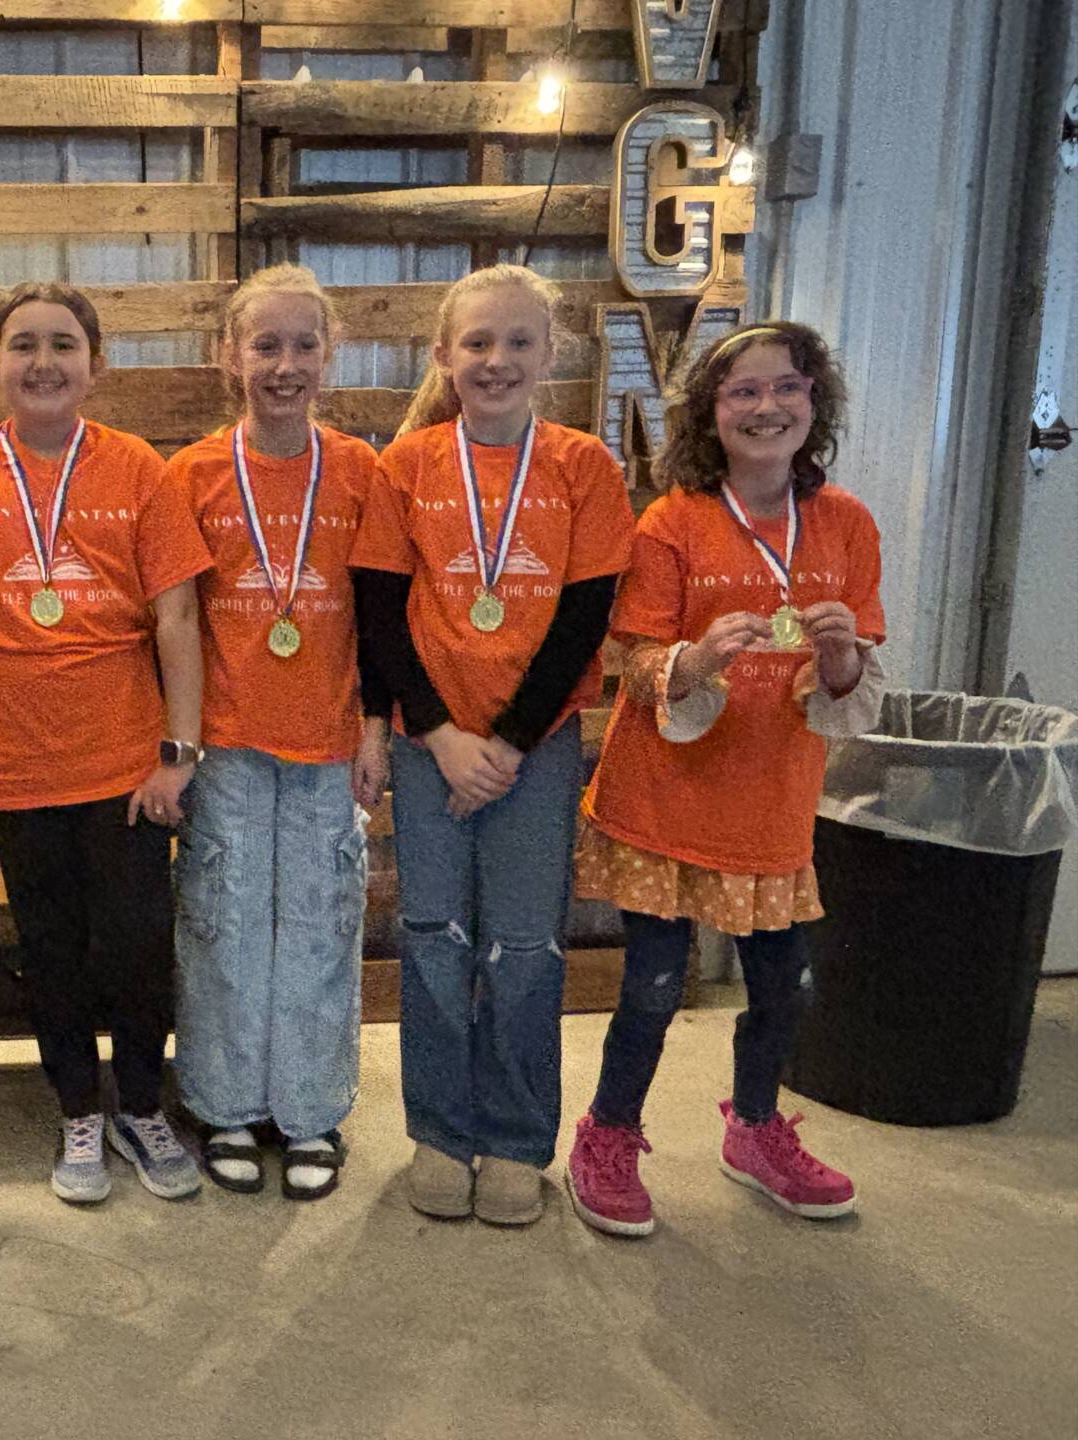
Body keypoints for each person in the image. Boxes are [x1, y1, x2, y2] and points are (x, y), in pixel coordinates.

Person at [566, 321, 884, 1236]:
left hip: (774, 809)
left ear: (814, 404)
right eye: (743, 391)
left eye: (786, 387)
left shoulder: (848, 524)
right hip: (666, 804)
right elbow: (634, 661)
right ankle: (610, 1134)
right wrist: (698, 660)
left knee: (783, 986)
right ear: (711, 411)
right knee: (654, 988)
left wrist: (839, 658)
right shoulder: (671, 522)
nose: (766, 406)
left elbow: (850, 685)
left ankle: (755, 1130)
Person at [350, 263, 635, 1226]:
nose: (497, 360)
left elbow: (583, 619)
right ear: (443, 356)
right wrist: (436, 732)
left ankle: (514, 1138)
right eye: (476, 343)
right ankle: (440, 1130)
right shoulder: (406, 466)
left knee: (524, 946)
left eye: (518, 342)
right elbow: (382, 615)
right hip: (432, 744)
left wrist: (506, 745)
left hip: (535, 746)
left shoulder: (585, 468)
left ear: (550, 354)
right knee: (432, 938)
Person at [0, 282, 211, 1205]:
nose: (43, 362)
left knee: (133, 942)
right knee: (50, 946)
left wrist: (179, 755)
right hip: (13, 763)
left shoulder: (139, 470)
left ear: (96, 363)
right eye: (23, 345)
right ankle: (77, 1107)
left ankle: (139, 1105)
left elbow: (177, 621)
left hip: (124, 764)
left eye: (63, 345)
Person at [165, 264, 389, 1200]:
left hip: (330, 742)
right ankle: (222, 1105)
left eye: (304, 345)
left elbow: (380, 612)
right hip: (227, 742)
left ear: (330, 358)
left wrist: (377, 727)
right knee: (221, 927)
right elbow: (173, 621)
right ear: (230, 356)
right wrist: (175, 750)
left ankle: (309, 1112)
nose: (284, 364)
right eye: (265, 345)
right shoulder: (193, 473)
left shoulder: (363, 470)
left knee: (318, 929)